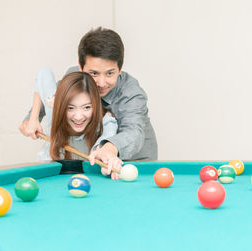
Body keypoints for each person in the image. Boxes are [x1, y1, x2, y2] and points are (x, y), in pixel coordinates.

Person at [19, 27, 158, 175]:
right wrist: (31, 119)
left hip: (136, 163)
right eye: (94, 73)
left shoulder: (131, 93)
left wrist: (109, 148)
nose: (102, 83)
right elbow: (54, 98)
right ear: (80, 67)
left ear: (120, 69)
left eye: (110, 73)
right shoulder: (75, 77)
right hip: (97, 161)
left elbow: (133, 132)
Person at [25, 69, 122, 179]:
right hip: (46, 176)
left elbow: (103, 148)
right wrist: (33, 118)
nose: (78, 116)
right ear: (61, 107)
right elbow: (43, 73)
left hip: (87, 179)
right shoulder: (53, 108)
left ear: (95, 105)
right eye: (70, 108)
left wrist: (106, 162)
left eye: (87, 107)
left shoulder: (107, 123)